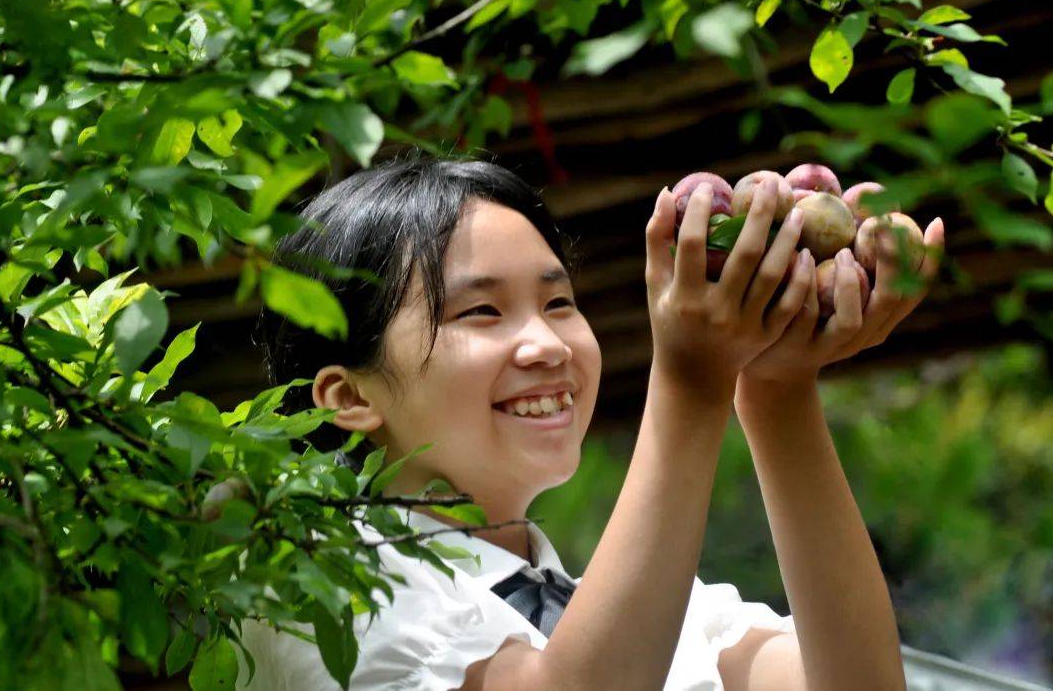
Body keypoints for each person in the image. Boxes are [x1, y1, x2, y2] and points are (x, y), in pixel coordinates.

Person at [238, 151, 945, 690]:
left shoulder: (661, 611)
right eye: (481, 310)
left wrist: (777, 388)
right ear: (349, 395)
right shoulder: (308, 595)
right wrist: (692, 384)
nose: (546, 344)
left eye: (558, 304)